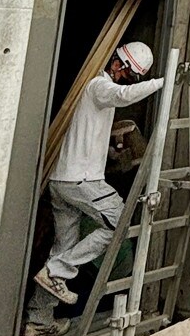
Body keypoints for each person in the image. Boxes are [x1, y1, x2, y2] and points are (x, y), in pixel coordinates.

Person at [30, 41, 164, 314]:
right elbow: (123, 95)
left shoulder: (93, 92)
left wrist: (113, 157)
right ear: (117, 64)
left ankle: (38, 321)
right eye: (128, 75)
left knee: (63, 247)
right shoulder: (98, 86)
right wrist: (164, 81)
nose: (126, 80)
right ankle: (57, 270)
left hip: (63, 181)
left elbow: (89, 136)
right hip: (82, 181)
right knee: (120, 222)